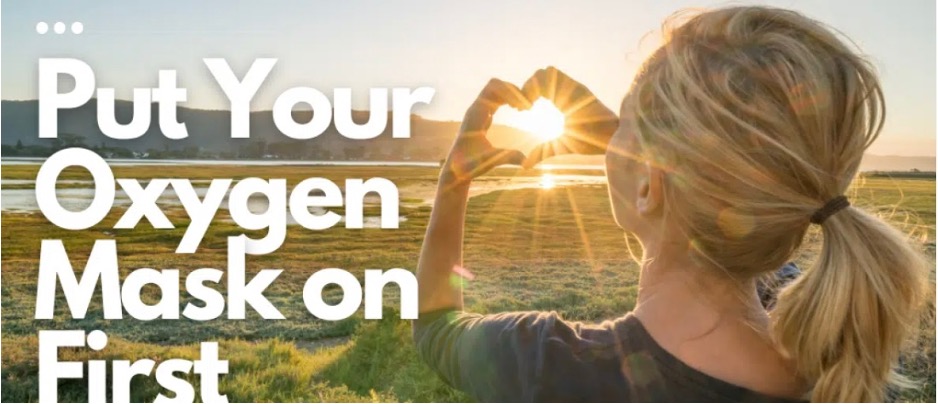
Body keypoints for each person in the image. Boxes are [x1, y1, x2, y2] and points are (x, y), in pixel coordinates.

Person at [413, 6, 929, 402]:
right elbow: (736, 200)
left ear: (648, 186)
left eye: (625, 124)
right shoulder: (842, 359)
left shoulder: (550, 366)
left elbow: (435, 327)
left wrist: (453, 180)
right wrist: (637, 148)